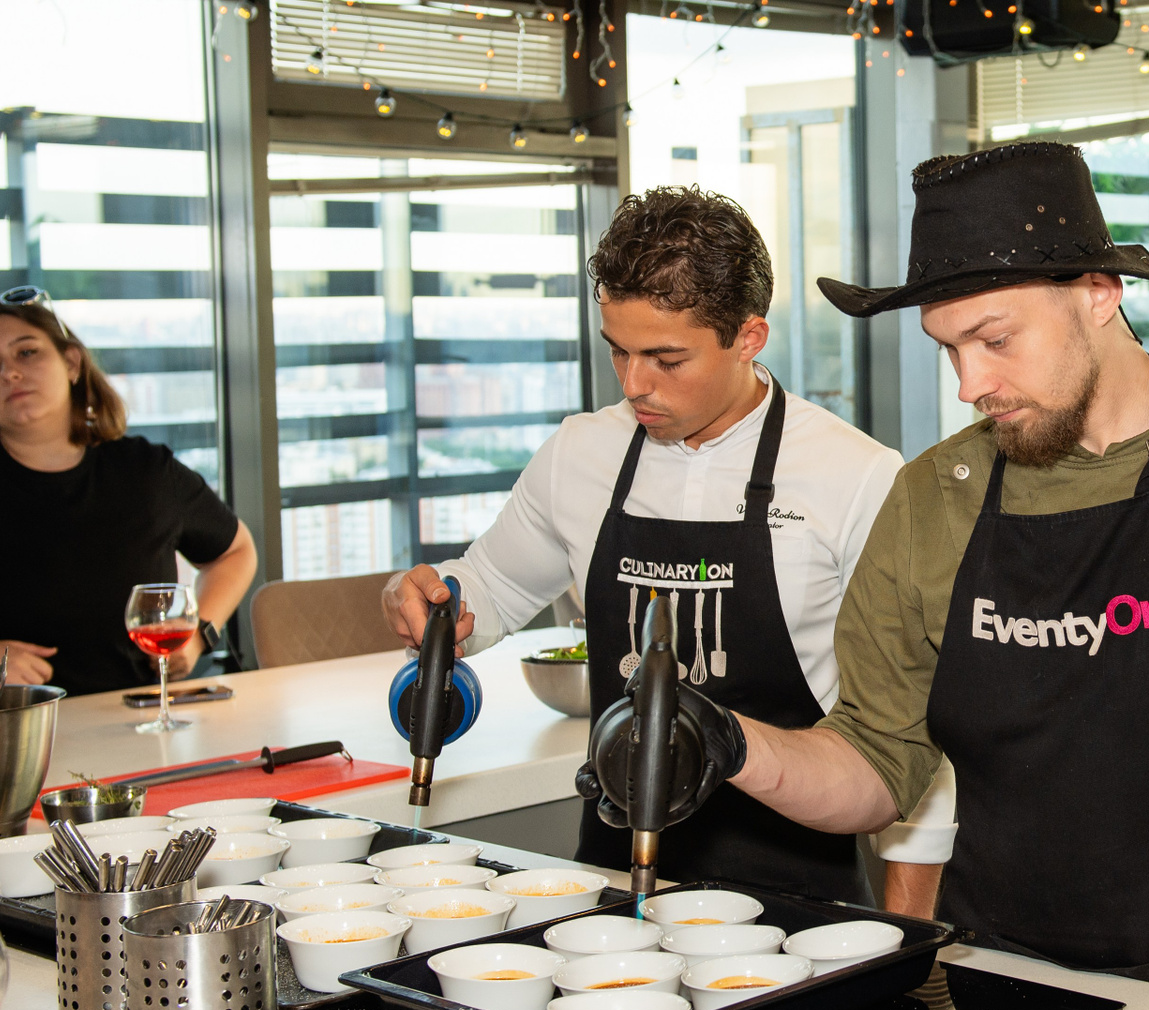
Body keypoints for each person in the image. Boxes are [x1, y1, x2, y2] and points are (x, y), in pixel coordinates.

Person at [662, 142, 1149, 1010]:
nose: (971, 384)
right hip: (993, 991)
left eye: (996, 340)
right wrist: (730, 743)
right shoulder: (931, 499)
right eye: (949, 349)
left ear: (1098, 294)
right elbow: (876, 762)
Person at [383, 187, 948, 902]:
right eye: (618, 351)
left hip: (799, 896)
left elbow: (914, 734)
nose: (634, 384)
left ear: (748, 338)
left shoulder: (857, 474)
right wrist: (429, 596)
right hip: (612, 882)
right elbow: (491, 589)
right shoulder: (581, 453)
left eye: (666, 359)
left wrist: (912, 929)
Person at [0, 289, 257, 696]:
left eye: (27, 353)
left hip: (140, 714)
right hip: (5, 724)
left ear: (71, 363)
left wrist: (198, 635)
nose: (10, 373)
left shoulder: (146, 470)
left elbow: (235, 551)